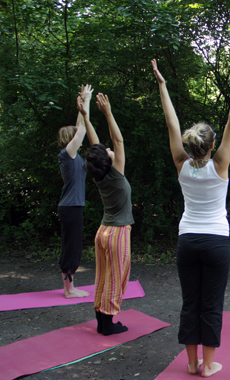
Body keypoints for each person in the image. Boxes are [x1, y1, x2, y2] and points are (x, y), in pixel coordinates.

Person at [152, 54, 230, 377]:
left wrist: (162, 84)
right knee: (210, 303)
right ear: (210, 147)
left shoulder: (182, 165)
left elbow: (171, 123)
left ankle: (192, 363)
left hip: (188, 240)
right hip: (216, 242)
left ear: (192, 146)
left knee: (190, 302)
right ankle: (208, 366)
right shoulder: (219, 164)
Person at [80, 92, 134, 336]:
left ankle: (101, 322)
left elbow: (96, 146)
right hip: (118, 233)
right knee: (116, 277)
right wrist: (108, 113)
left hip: (102, 232)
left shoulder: (99, 173)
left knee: (102, 276)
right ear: (109, 160)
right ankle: (109, 325)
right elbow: (118, 141)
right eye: (108, 151)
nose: (111, 149)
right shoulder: (115, 172)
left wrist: (86, 116)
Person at [57, 84, 93, 298]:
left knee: (74, 246)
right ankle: (69, 290)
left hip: (73, 207)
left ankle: (69, 287)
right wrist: (87, 100)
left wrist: (81, 105)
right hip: (70, 208)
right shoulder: (66, 154)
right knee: (71, 248)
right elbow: (83, 130)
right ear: (70, 140)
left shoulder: (73, 155)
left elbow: (81, 125)